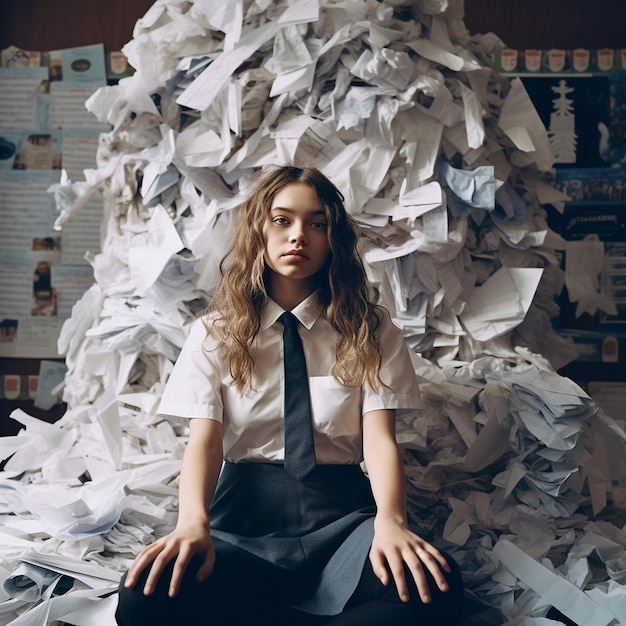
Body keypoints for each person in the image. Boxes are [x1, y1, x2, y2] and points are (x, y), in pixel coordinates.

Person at [116, 165, 464, 625]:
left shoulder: (372, 331)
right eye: (282, 220)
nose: (298, 236)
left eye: (316, 224)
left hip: (342, 518)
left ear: (332, 237)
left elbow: (380, 441)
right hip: (241, 521)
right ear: (259, 230)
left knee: (436, 589)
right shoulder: (213, 334)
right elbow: (205, 442)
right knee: (144, 599)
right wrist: (191, 524)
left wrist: (391, 523)